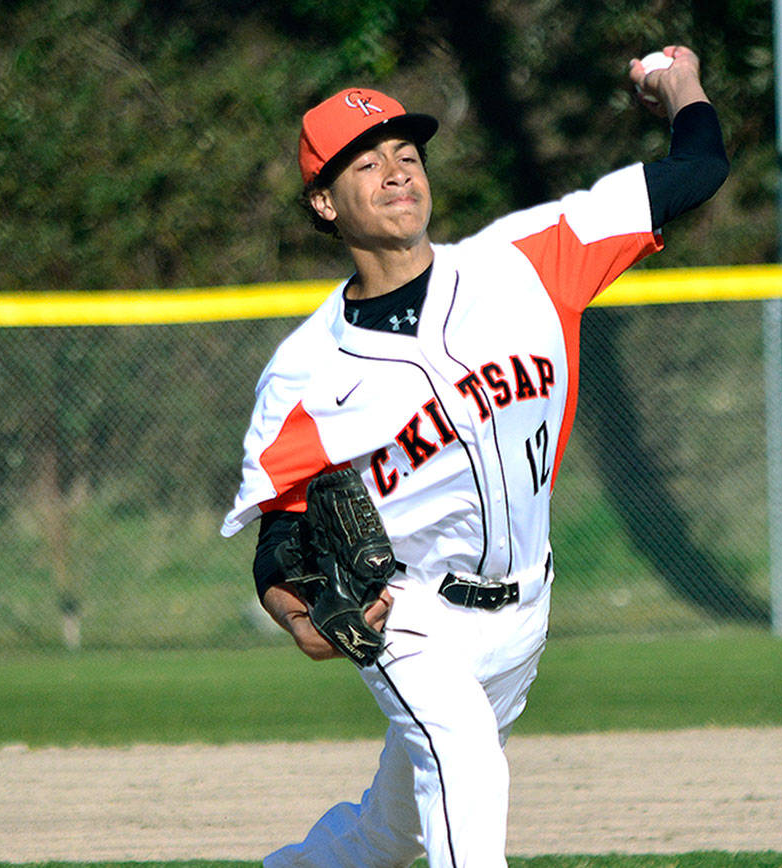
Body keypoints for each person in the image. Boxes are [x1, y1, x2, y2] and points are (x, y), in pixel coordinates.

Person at [220, 44, 728, 868]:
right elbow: (279, 536)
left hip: (525, 614)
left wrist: (679, 84)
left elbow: (698, 167)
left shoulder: (530, 260)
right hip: (411, 617)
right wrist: (297, 616)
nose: (396, 172)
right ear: (323, 202)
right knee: (461, 756)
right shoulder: (307, 374)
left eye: (406, 154)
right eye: (365, 163)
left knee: (393, 833)